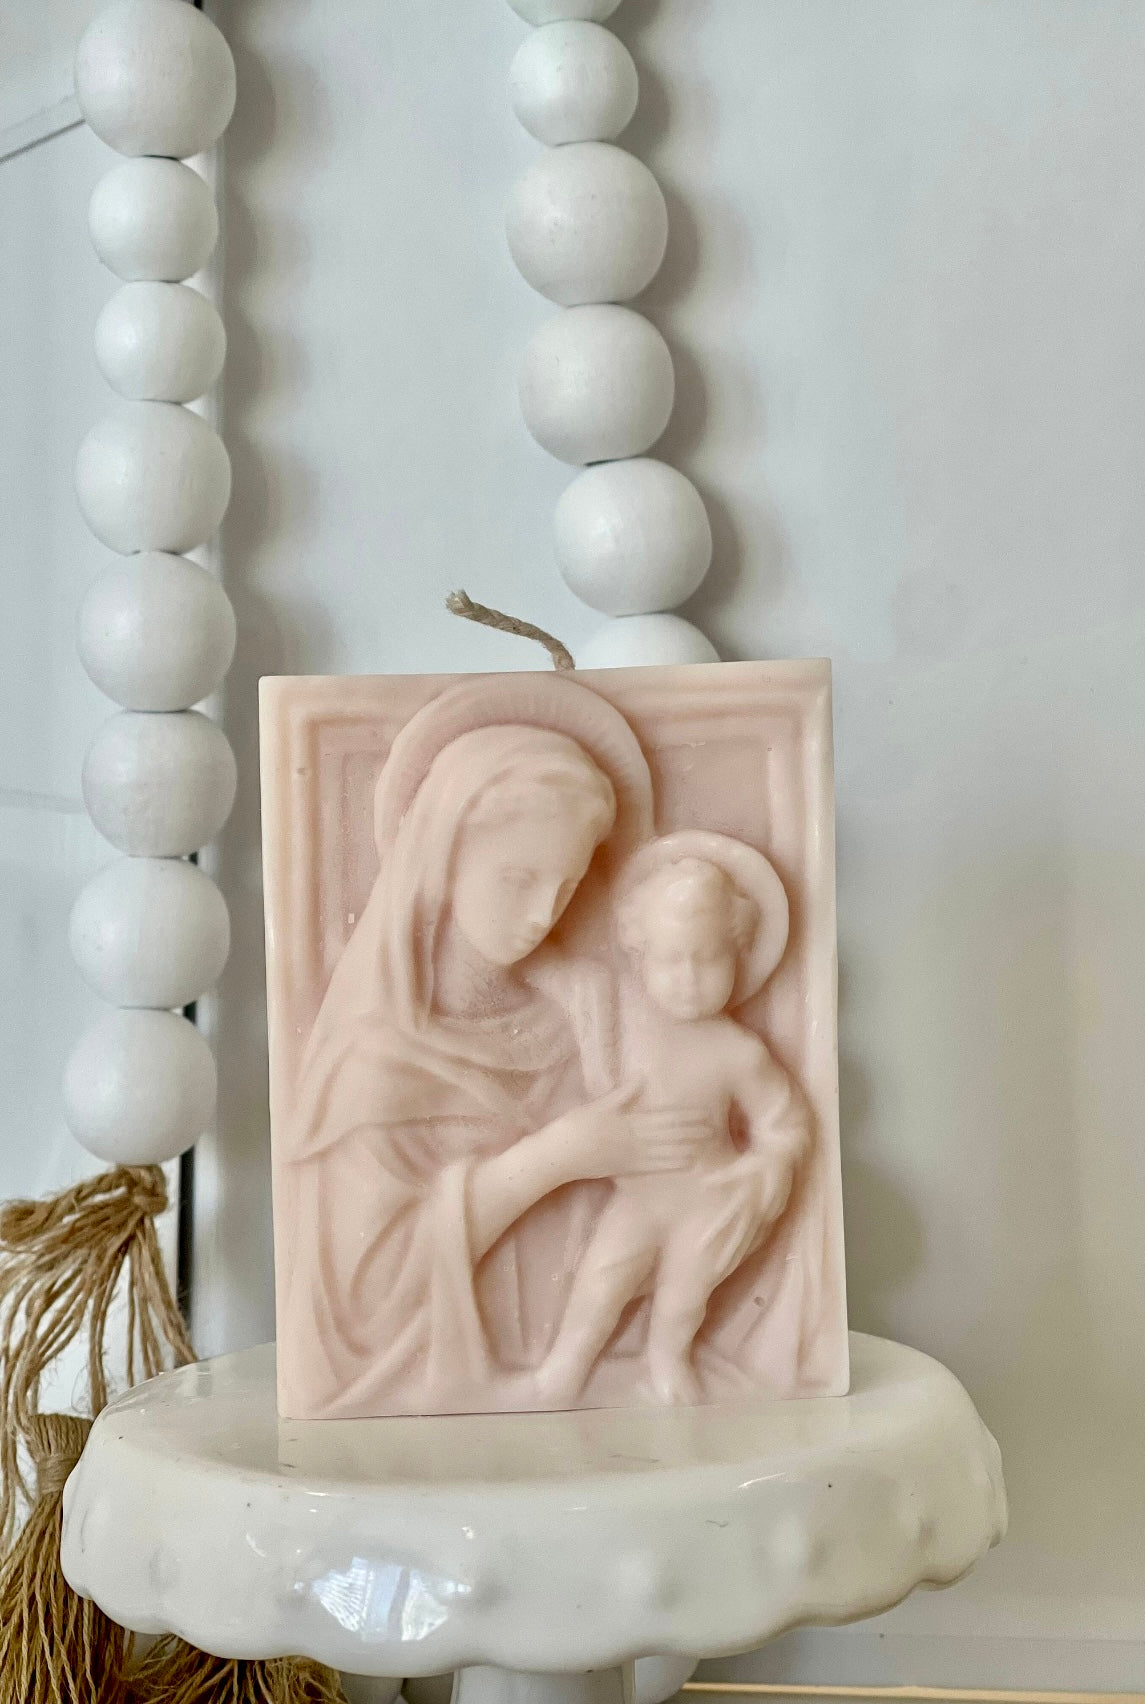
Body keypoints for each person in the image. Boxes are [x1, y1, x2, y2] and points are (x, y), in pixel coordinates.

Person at [277, 683, 710, 1419]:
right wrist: (556, 1157)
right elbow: (364, 1288)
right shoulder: (375, 1059)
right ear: (440, 860)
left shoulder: (583, 1013)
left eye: (566, 884)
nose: (543, 913)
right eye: (516, 878)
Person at [536, 836, 811, 1406]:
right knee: (601, 1281)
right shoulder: (623, 1029)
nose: (688, 977)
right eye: (670, 959)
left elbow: (785, 1125)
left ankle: (667, 1362)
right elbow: (563, 985)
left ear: (738, 953)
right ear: (639, 956)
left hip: (707, 1201)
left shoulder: (739, 1052)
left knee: (683, 1300)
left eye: (708, 958)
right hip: (639, 1199)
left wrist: (760, 1171)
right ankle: (562, 1370)